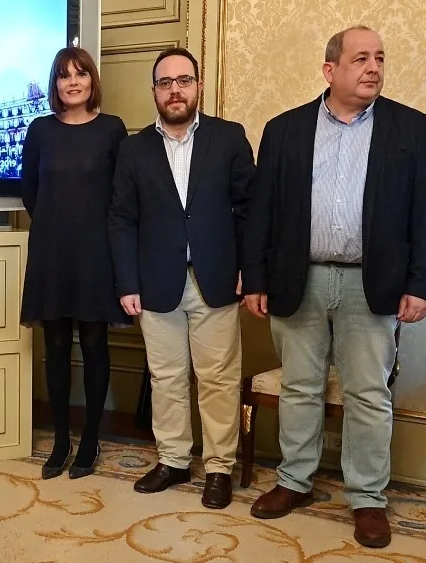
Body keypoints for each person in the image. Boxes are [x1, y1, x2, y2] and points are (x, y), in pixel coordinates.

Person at [241, 26, 426, 549]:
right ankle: (294, 481)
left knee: (369, 394)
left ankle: (368, 497)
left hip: (371, 283)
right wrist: (255, 278)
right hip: (298, 277)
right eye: (361, 59)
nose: (374, 67)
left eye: (380, 57)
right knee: (299, 387)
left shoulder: (409, 127)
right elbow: (262, 212)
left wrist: (421, 284)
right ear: (330, 70)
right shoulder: (284, 129)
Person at [108, 47, 256, 509]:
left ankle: (218, 468)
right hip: (156, 282)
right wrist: (127, 282)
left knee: (218, 379)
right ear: (154, 90)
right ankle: (172, 461)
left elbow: (249, 211)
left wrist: (249, 271)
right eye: (165, 82)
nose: (175, 90)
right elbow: (122, 219)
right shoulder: (133, 149)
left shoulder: (229, 137)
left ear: (198, 86)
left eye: (184, 80)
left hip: (216, 279)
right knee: (166, 377)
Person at [20, 46, 130, 480]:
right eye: (64, 75)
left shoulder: (112, 129)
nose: (73, 82)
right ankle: (62, 440)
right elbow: (30, 191)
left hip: (97, 254)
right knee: (56, 347)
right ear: (56, 84)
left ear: (91, 81)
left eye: (80, 74)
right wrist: (57, 224)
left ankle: (89, 441)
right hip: (52, 253)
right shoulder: (40, 130)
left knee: (96, 344)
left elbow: (122, 195)